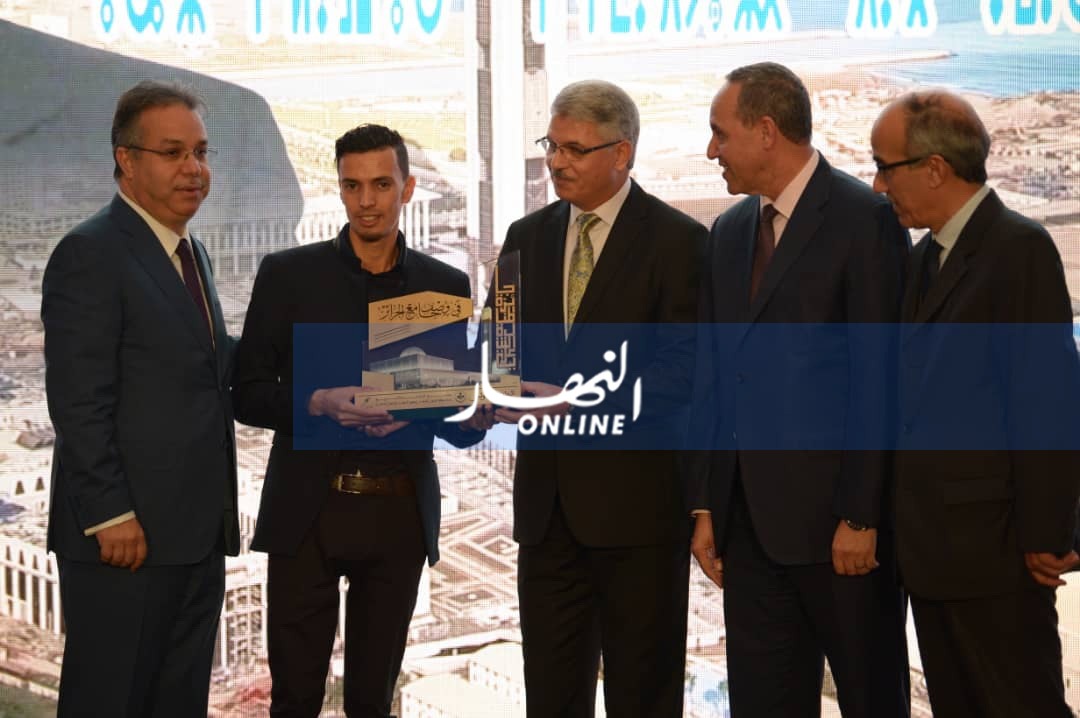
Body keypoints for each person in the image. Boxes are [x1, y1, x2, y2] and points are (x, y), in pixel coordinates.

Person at [232, 124, 484, 718]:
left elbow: (459, 420)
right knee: (294, 702)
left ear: (407, 188)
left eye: (381, 185)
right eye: (352, 186)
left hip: (397, 519)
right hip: (306, 517)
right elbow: (246, 394)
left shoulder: (444, 285)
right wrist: (317, 402)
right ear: (340, 189)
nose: (366, 200)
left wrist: (443, 407)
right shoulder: (288, 275)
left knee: (373, 704)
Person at [686, 62, 910, 717]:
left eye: (720, 133)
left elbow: (881, 380)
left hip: (843, 536)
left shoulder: (866, 220)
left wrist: (862, 516)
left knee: (871, 700)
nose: (711, 151)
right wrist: (706, 505)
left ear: (765, 131)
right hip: (749, 535)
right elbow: (715, 379)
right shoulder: (729, 233)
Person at [491, 79, 706, 717]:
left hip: (640, 518)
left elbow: (686, 369)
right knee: (551, 698)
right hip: (547, 517)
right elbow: (499, 350)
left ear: (622, 153)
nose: (557, 162)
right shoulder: (524, 237)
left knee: (643, 696)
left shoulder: (679, 242)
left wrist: (581, 402)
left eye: (574, 150)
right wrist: (492, 390)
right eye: (551, 146)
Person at [872, 90, 1080, 718]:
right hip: (932, 556)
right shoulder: (923, 257)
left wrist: (1048, 535)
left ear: (935, 168)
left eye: (885, 167)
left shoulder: (1018, 248)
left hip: (998, 556)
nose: (878, 185)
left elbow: (1046, 400)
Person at [41, 80, 239, 717]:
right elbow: (78, 400)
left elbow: (209, 366)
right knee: (110, 700)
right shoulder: (91, 253)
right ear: (126, 160)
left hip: (194, 538)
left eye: (201, 152)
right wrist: (110, 514)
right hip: (125, 543)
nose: (193, 169)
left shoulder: (189, 251)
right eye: (173, 153)